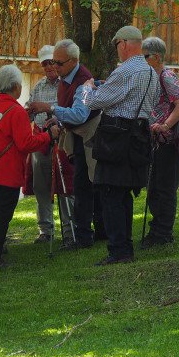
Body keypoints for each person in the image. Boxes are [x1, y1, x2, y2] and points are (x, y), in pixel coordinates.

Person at [78, 25, 160, 265]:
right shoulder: (150, 72)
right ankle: (125, 247)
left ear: (123, 43)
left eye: (116, 45)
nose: (117, 49)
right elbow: (152, 101)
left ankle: (119, 250)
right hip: (139, 137)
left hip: (116, 137)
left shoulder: (124, 72)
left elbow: (95, 102)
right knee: (124, 194)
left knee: (111, 193)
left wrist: (87, 88)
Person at [26, 38, 103, 249]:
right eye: (51, 62)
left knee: (85, 185)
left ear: (73, 61)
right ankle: (83, 234)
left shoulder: (83, 81)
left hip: (88, 136)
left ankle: (85, 235)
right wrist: (57, 120)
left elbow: (79, 114)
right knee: (80, 184)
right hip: (72, 136)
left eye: (58, 63)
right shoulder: (64, 78)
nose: (54, 67)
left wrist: (51, 109)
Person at [0, 65, 54, 268]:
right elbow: (26, 144)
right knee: (3, 214)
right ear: (16, 86)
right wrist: (48, 136)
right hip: (9, 170)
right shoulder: (16, 111)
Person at [141, 36, 179, 248]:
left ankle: (163, 233)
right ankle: (156, 230)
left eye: (145, 56)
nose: (142, 60)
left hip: (167, 141)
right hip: (154, 140)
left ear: (157, 57)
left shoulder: (167, 76)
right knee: (153, 186)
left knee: (165, 187)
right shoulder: (151, 77)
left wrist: (165, 125)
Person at [26, 45, 62, 243]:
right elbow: (29, 110)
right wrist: (28, 111)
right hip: (41, 140)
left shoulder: (65, 84)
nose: (48, 67)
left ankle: (69, 227)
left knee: (65, 184)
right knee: (41, 186)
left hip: (62, 138)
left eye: (51, 62)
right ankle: (46, 229)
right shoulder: (39, 86)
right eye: (44, 64)